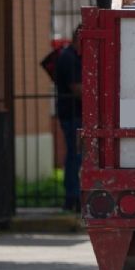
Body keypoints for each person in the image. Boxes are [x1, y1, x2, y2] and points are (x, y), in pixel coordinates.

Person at [55, 25, 83, 211]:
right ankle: (72, 196)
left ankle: (74, 195)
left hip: (75, 113)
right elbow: (76, 88)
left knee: (77, 155)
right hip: (72, 114)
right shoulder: (69, 57)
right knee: (75, 155)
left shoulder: (74, 56)